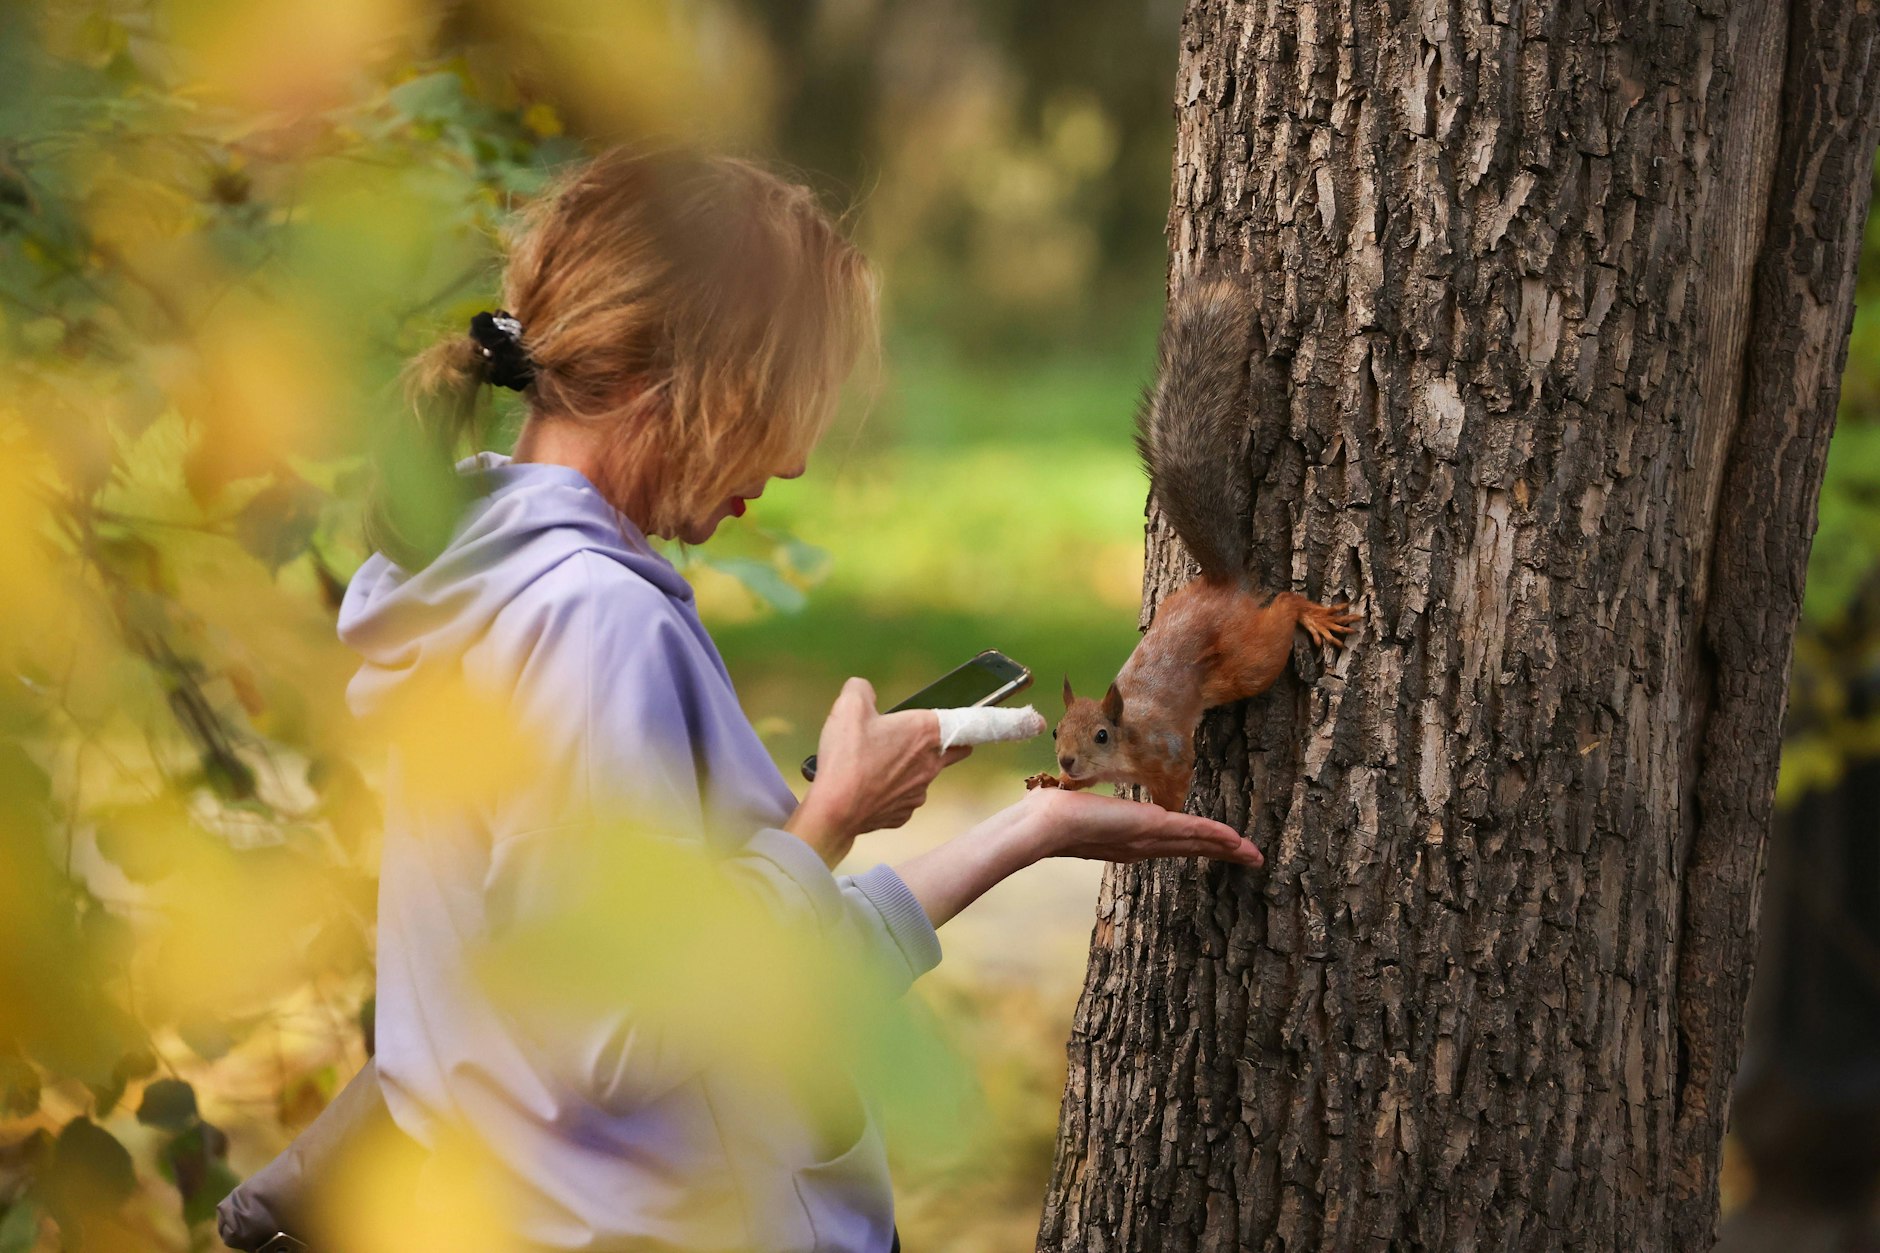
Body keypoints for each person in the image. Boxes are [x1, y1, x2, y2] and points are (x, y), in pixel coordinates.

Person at [333, 147, 1261, 1252]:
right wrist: (827, 820)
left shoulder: (473, 587)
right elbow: (622, 1034)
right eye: (786, 400)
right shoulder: (594, 622)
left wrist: (1026, 828)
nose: (793, 459)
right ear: (689, 375)